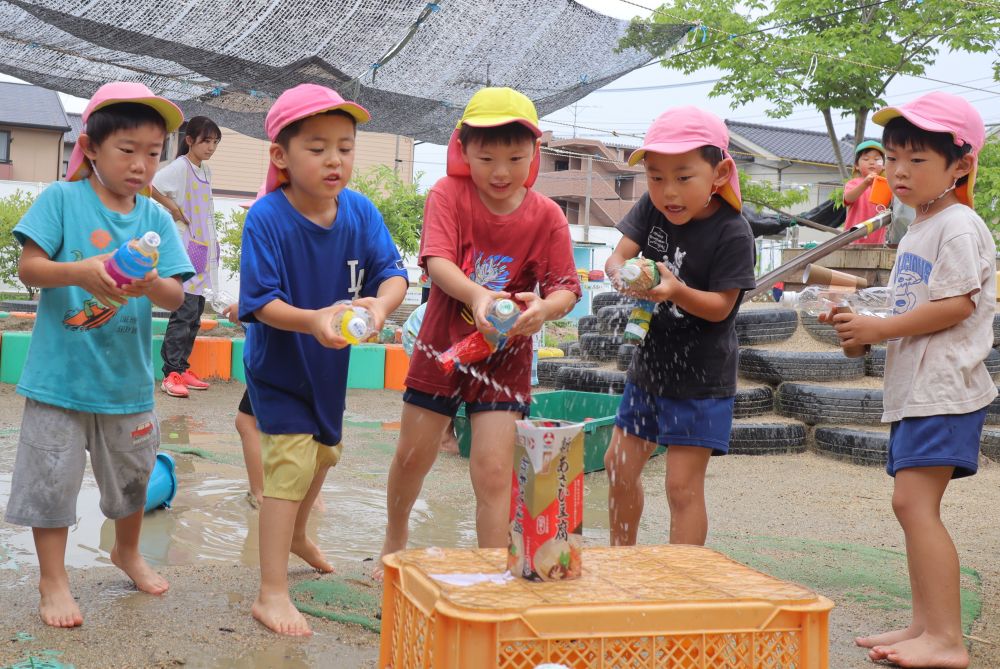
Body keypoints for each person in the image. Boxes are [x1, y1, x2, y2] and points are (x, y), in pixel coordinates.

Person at [2, 82, 193, 628]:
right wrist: (84, 271)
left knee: (133, 479)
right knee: (51, 482)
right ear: (89, 146)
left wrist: (153, 284)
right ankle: (53, 578)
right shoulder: (62, 201)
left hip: (125, 383)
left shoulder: (155, 219)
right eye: (126, 150)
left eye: (153, 154)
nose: (141, 165)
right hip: (58, 380)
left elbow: (177, 295)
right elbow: (30, 269)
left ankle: (127, 552)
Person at [375, 87, 581, 578]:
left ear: (535, 153)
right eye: (486, 157)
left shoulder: (547, 215)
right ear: (463, 150)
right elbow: (437, 261)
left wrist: (543, 309)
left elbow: (566, 288)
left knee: (493, 470)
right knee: (412, 456)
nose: (501, 171)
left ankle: (494, 571)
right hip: (441, 345)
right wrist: (478, 297)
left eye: (515, 157)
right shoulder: (448, 195)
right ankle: (395, 536)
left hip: (506, 355)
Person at [830, 91, 993, 669]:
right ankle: (926, 626)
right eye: (894, 157)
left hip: (945, 389)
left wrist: (878, 326)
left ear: (960, 166)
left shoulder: (959, 227)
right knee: (912, 506)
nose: (898, 170)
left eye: (917, 159)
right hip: (919, 390)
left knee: (914, 504)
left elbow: (953, 307)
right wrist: (862, 326)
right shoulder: (922, 227)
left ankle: (946, 640)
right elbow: (909, 304)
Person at [238, 83, 407, 636]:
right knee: (289, 464)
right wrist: (313, 319)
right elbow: (260, 303)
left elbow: (393, 274)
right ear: (281, 157)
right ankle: (271, 592)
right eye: (317, 147)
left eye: (345, 146)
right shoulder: (267, 218)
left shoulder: (359, 212)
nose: (334, 159)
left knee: (324, 456)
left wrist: (379, 308)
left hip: (330, 370)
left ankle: (297, 534)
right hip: (280, 368)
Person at [602, 107, 756, 548]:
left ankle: (681, 580)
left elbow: (721, 308)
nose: (668, 192)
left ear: (720, 173)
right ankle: (621, 559)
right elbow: (617, 257)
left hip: (703, 378)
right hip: (650, 367)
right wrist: (623, 275)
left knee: (682, 488)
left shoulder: (733, 232)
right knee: (618, 465)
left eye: (683, 177)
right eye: (655, 177)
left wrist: (674, 290)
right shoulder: (651, 207)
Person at [151, 116, 223, 397]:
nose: (211, 147)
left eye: (215, 142)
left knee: (194, 314)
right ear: (190, 140)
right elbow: (152, 185)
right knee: (183, 312)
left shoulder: (206, 170)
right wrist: (173, 208)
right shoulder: (180, 167)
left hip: (202, 246)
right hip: (185, 245)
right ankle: (171, 374)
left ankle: (182, 367)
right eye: (206, 141)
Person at [843, 139, 889, 245]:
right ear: (856, 166)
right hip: (853, 239)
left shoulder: (886, 185)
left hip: (877, 241)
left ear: (883, 165)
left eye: (877, 159)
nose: (872, 162)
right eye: (866, 159)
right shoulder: (853, 183)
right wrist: (865, 183)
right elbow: (848, 198)